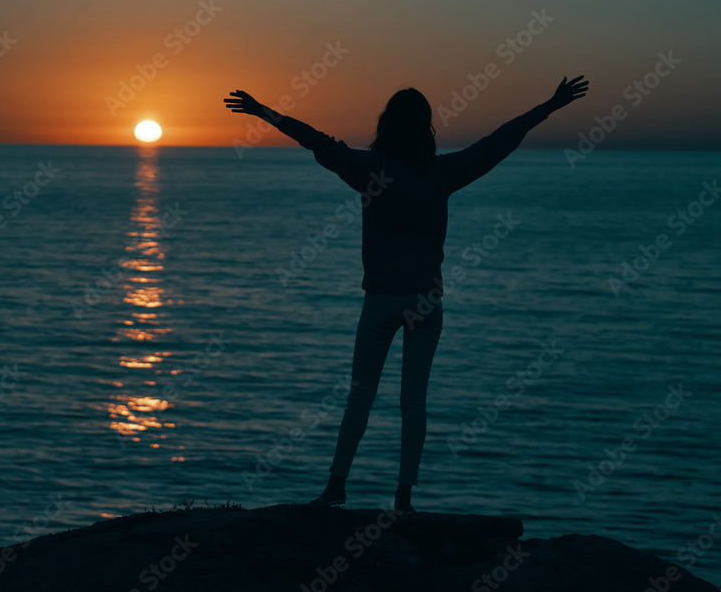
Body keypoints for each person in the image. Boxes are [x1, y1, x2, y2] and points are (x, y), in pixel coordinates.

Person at [223, 76, 589, 512]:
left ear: (387, 124)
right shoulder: (443, 173)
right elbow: (500, 141)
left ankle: (336, 486)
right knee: (413, 399)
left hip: (380, 301)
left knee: (361, 394)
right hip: (425, 303)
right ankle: (404, 497)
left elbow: (315, 140)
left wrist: (264, 111)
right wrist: (550, 104)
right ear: (426, 129)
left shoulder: (369, 169)